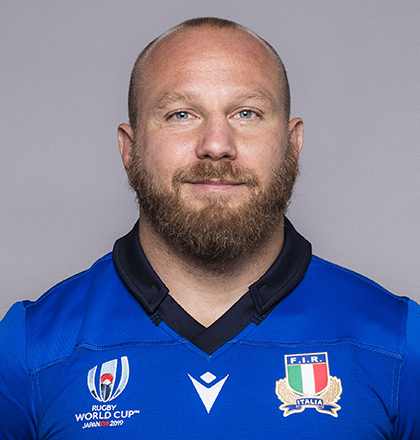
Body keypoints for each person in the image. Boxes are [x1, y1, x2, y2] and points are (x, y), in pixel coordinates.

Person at [0, 17, 419, 439]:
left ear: (293, 144)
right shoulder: (30, 349)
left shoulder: (398, 343)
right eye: (181, 114)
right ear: (130, 149)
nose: (217, 145)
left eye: (247, 113)